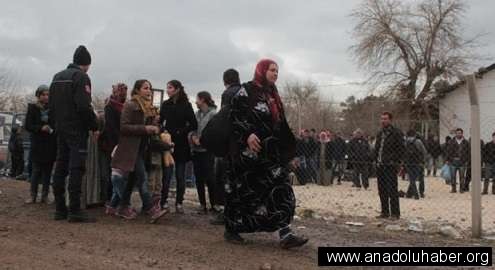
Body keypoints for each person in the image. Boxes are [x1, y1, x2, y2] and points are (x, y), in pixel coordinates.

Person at [224, 59, 308, 249]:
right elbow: (234, 116)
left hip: (270, 154)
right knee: (244, 193)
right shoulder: (246, 91)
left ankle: (285, 234)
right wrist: (247, 135)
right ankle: (232, 228)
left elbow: (281, 125)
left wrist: (289, 152)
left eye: (277, 71)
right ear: (262, 71)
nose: (275, 73)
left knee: (281, 188)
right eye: (272, 70)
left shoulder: (273, 95)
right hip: (248, 157)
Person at [49, 45, 98, 222]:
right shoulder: (81, 77)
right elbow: (84, 107)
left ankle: (60, 209)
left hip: (60, 129)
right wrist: (94, 125)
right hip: (77, 130)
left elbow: (51, 106)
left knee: (61, 166)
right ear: (86, 64)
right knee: (76, 168)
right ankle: (75, 210)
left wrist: (54, 125)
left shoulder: (57, 77)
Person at [110, 80, 168, 221]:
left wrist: (155, 126)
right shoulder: (130, 105)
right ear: (137, 90)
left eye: (150, 88)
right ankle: (150, 208)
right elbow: (124, 127)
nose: (148, 91)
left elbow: (154, 129)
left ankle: (120, 207)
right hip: (130, 148)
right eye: (145, 88)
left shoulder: (149, 108)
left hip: (142, 149)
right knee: (142, 178)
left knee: (131, 179)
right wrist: (145, 129)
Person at [160, 80, 198, 213]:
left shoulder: (186, 105)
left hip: (181, 145)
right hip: (168, 144)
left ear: (177, 89)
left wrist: (181, 132)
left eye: (170, 88)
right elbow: (160, 121)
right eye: (167, 87)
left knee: (181, 176)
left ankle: (179, 203)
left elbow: (193, 124)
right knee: (166, 175)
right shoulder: (165, 104)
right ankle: (163, 201)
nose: (168, 90)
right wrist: (163, 131)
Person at [210, 69, 242, 226]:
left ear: (225, 81)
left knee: (226, 178)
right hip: (243, 142)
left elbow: (225, 118)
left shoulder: (228, 94)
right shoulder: (244, 91)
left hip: (230, 143)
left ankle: (227, 213)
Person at [24, 85, 57, 204]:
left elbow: (56, 124)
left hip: (50, 144)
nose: (46, 97)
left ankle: (45, 195)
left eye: (48, 94)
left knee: (48, 172)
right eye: (43, 94)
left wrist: (51, 129)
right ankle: (33, 195)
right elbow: (28, 125)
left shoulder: (53, 109)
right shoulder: (33, 108)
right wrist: (40, 128)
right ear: (38, 95)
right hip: (37, 144)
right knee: (36, 171)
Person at [98, 83, 127, 207]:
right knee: (108, 173)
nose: (121, 94)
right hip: (110, 145)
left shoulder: (122, 107)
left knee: (114, 174)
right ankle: (107, 198)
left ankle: (112, 198)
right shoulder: (111, 107)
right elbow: (111, 127)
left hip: (116, 144)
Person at [189, 91, 219, 214]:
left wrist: (203, 141)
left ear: (203, 100)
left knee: (210, 178)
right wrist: (193, 138)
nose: (196, 101)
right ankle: (202, 205)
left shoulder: (213, 115)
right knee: (199, 178)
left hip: (208, 151)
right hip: (196, 151)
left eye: (197, 99)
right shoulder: (196, 114)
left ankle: (214, 204)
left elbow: (215, 132)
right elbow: (192, 129)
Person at [374, 112, 404, 219]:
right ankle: (385, 212)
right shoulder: (380, 133)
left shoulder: (396, 133)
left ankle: (395, 213)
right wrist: (375, 160)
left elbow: (401, 149)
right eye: (382, 119)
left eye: (385, 119)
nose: (383, 121)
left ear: (390, 120)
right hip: (380, 165)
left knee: (392, 189)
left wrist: (395, 161)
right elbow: (377, 148)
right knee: (382, 190)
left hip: (390, 165)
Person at [404, 130, 427, 199]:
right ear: (414, 135)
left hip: (408, 162)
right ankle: (416, 194)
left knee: (411, 178)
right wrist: (423, 160)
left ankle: (409, 194)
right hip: (418, 162)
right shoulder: (418, 141)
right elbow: (424, 152)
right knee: (415, 177)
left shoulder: (405, 142)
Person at [446, 128, 469, 193]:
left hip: (462, 162)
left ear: (462, 134)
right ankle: (453, 189)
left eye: (460, 133)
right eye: (457, 133)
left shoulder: (466, 142)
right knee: (453, 176)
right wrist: (447, 160)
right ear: (456, 134)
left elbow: (468, 152)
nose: (459, 134)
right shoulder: (451, 142)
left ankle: (461, 189)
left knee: (462, 176)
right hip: (453, 161)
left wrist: (467, 160)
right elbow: (448, 151)